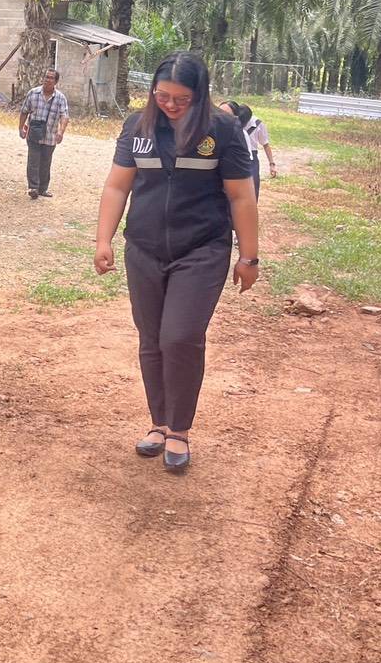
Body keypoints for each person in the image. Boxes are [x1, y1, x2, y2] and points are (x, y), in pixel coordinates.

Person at [93, 51, 258, 474]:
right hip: (144, 249)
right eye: (162, 96)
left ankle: (180, 429)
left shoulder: (223, 131)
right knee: (151, 338)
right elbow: (117, 186)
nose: (170, 105)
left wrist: (249, 256)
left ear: (200, 96)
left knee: (180, 336)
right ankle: (160, 423)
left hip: (202, 250)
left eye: (181, 99)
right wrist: (103, 240)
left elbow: (241, 196)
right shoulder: (138, 127)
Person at [19, 67, 70, 198]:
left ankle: (43, 189)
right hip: (34, 134)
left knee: (45, 163)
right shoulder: (33, 93)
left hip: (50, 136)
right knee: (33, 161)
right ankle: (33, 188)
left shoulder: (60, 98)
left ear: (56, 81)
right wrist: (21, 128)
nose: (48, 80)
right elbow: (24, 111)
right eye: (46, 77)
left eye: (51, 78)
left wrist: (61, 132)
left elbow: (64, 116)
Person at [220, 100, 277, 198]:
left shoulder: (257, 124)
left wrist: (272, 164)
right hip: (232, 155)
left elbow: (266, 144)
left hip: (251, 157)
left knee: (252, 186)